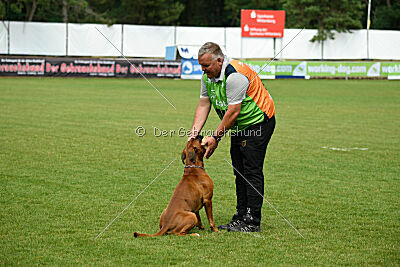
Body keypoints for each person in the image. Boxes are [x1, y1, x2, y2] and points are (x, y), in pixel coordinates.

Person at [188, 42, 276, 232]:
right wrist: (193, 135)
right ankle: (241, 216)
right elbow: (204, 104)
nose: (203, 71)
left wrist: (215, 138)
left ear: (219, 60)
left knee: (251, 170)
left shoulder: (234, 76)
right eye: (201, 66)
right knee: (239, 170)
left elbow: (233, 111)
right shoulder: (207, 77)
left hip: (258, 122)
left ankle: (252, 221)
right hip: (238, 126)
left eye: (206, 66)